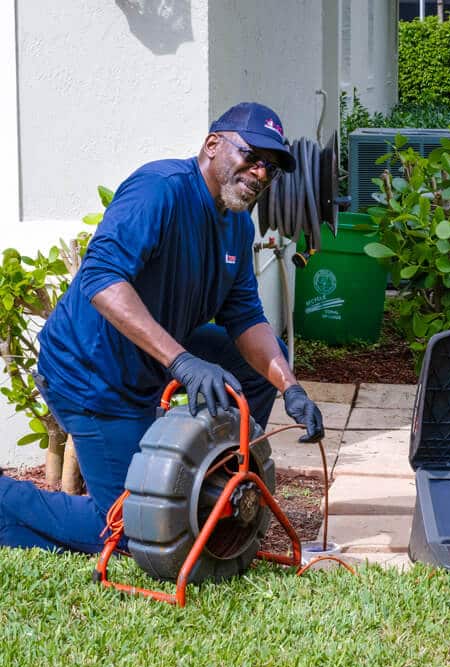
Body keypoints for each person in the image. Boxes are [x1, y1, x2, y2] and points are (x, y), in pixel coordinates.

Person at [0, 102, 324, 554]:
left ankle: (218, 477)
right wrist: (183, 362)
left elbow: (245, 316)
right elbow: (101, 279)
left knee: (262, 368)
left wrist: (291, 388)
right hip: (93, 370)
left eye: (270, 167)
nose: (260, 172)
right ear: (212, 145)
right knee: (133, 528)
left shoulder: (235, 223)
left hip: (152, 354)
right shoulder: (160, 190)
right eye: (251, 155)